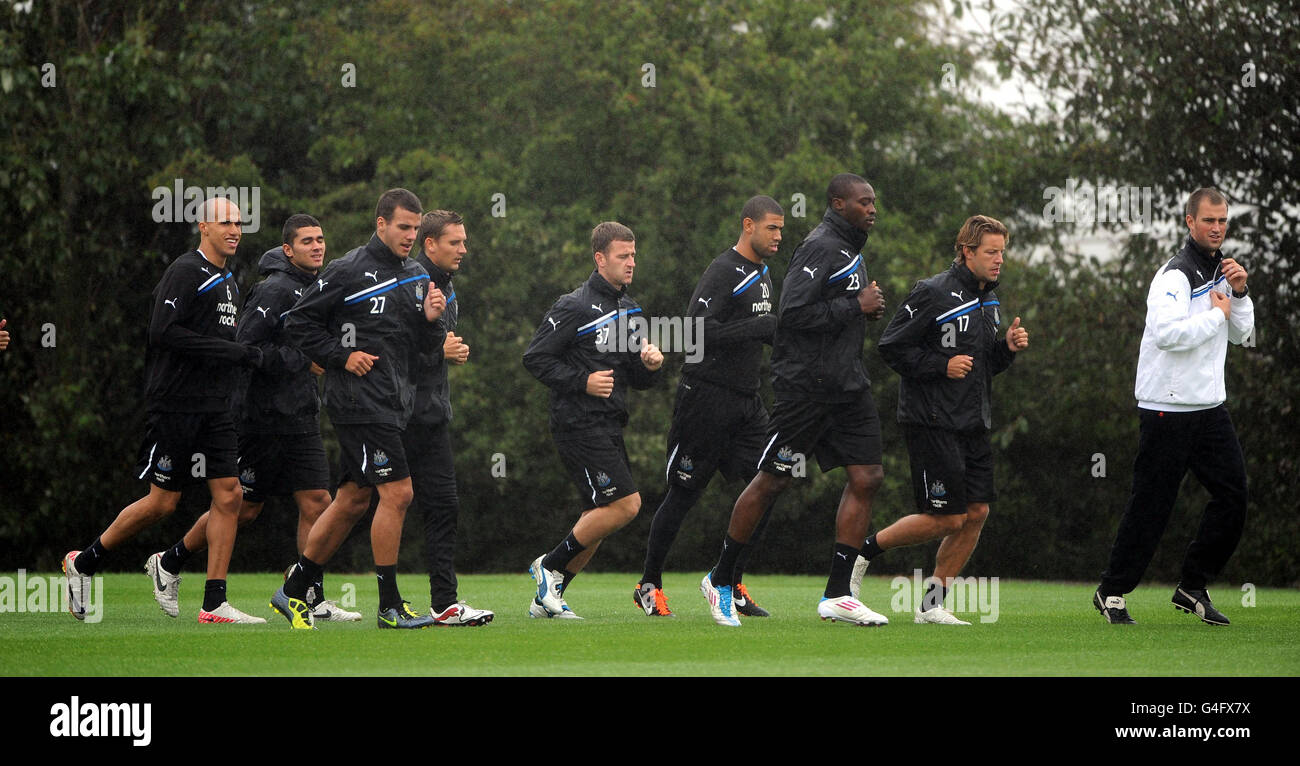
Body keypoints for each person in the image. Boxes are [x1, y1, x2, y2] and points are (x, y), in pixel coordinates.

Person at [145, 214, 360, 623]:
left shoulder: (314, 289)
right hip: (260, 417)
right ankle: (170, 560)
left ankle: (307, 594)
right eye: (307, 241)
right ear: (287, 250)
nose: (317, 247)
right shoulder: (275, 290)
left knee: (318, 501)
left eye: (320, 239)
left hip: (299, 414)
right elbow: (244, 348)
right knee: (242, 508)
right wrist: (301, 360)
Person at [63, 196, 266, 624]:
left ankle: (214, 603)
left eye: (238, 222)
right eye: (224, 222)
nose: (234, 229)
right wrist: (230, 352)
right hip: (175, 403)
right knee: (162, 503)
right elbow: (162, 332)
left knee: (230, 495)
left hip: (215, 408)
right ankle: (83, 563)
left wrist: (236, 360)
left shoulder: (228, 280)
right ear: (203, 227)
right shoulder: (185, 271)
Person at [701, 173, 890, 627]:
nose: (872, 209)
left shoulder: (851, 250)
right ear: (837, 204)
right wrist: (855, 307)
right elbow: (794, 314)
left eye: (874, 203)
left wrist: (864, 307)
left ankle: (837, 595)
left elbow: (837, 309)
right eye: (863, 202)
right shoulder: (821, 246)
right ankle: (721, 579)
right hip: (807, 387)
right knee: (772, 481)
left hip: (848, 386)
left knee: (868, 476)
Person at [272, 188, 447, 630]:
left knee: (352, 499)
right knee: (399, 493)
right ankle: (389, 605)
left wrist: (430, 321)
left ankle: (293, 590)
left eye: (415, 227)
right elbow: (297, 322)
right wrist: (341, 355)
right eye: (403, 227)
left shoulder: (414, 274)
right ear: (381, 224)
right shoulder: (347, 269)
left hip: (393, 403)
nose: (410, 235)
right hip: (357, 402)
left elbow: (421, 347)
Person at [1094, 187, 1252, 626]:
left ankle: (1192, 586)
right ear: (1189, 222)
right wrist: (1218, 315)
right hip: (1166, 407)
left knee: (1234, 494)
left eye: (1222, 221)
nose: (1217, 228)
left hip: (1209, 408)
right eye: (1208, 220)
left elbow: (1243, 334)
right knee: (1152, 504)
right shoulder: (1175, 275)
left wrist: (1238, 295)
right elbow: (1168, 334)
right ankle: (1111, 591)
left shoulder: (1224, 269)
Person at [860, 215, 1028, 625]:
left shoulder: (990, 299)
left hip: (973, 422)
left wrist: (1004, 348)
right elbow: (891, 347)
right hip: (932, 421)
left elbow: (980, 367)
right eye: (991, 252)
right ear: (967, 252)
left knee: (977, 513)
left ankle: (932, 605)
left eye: (1002, 252)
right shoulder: (932, 292)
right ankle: (864, 552)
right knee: (948, 517)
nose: (999, 260)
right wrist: (941, 364)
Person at [634, 196, 784, 618]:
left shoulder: (763, 273)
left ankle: (728, 579)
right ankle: (649, 584)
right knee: (684, 494)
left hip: (747, 403)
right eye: (771, 228)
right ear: (748, 225)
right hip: (706, 399)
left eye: (781, 229)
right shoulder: (723, 270)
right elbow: (694, 332)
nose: (778, 236)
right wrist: (759, 328)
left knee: (771, 483)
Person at [522, 221, 663, 619]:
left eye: (634, 255)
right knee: (625, 505)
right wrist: (582, 381)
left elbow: (637, 378)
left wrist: (651, 365)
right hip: (577, 422)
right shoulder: (574, 305)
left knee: (596, 519)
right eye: (623, 256)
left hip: (609, 422)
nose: (631, 262)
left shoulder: (630, 307)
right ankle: (547, 567)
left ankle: (547, 599)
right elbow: (535, 358)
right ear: (600, 259)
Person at [403, 209, 494, 626]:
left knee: (444, 505)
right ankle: (302, 583)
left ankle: (445, 605)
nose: (464, 249)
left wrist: (440, 353)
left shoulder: (445, 285)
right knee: (352, 502)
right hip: (392, 415)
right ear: (430, 245)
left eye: (464, 241)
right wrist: (435, 353)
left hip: (431, 414)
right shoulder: (408, 281)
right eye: (455, 242)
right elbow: (385, 347)